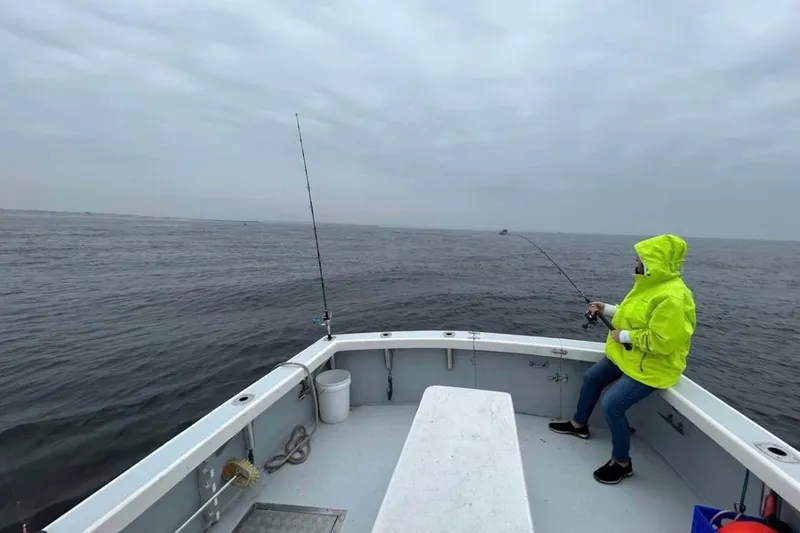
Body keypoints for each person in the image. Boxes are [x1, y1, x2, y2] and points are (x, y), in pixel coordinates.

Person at [548, 234, 697, 484]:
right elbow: (635, 314)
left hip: (653, 367)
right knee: (592, 378)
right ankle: (579, 424)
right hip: (630, 356)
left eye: (640, 259)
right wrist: (606, 308)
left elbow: (663, 341)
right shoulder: (650, 285)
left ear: (655, 263)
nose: (636, 263)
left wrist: (624, 335)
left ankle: (622, 463)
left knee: (612, 405)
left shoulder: (674, 298)